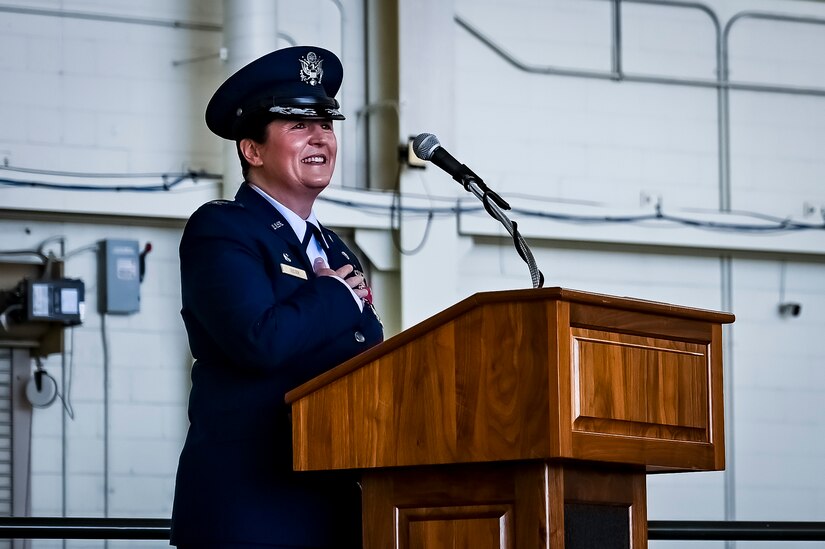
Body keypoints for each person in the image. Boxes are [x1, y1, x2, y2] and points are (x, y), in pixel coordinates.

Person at [170, 46, 384, 549]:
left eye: (327, 124)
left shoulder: (334, 246)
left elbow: (367, 354)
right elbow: (257, 340)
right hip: (253, 511)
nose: (320, 138)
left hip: (337, 504)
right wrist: (332, 294)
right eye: (297, 125)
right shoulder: (223, 228)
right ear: (252, 150)